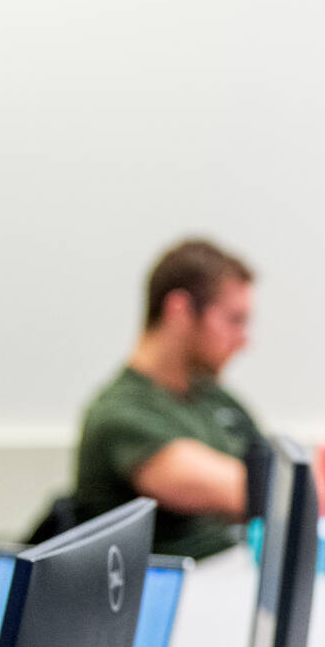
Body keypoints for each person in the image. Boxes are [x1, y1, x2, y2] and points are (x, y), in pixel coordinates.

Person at [73, 238, 262, 558]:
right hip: (167, 597)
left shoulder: (215, 400)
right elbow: (257, 492)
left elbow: (277, 482)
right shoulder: (121, 413)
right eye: (233, 320)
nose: (244, 341)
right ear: (180, 310)